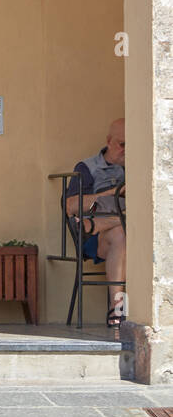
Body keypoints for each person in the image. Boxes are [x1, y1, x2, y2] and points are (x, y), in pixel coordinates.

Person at [64, 118, 126, 327]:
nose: (127, 150)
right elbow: (71, 206)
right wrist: (114, 193)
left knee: (125, 227)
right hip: (98, 240)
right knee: (120, 233)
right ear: (109, 141)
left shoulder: (145, 167)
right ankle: (117, 308)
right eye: (122, 144)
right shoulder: (89, 168)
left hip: (140, 236)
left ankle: (102, 222)